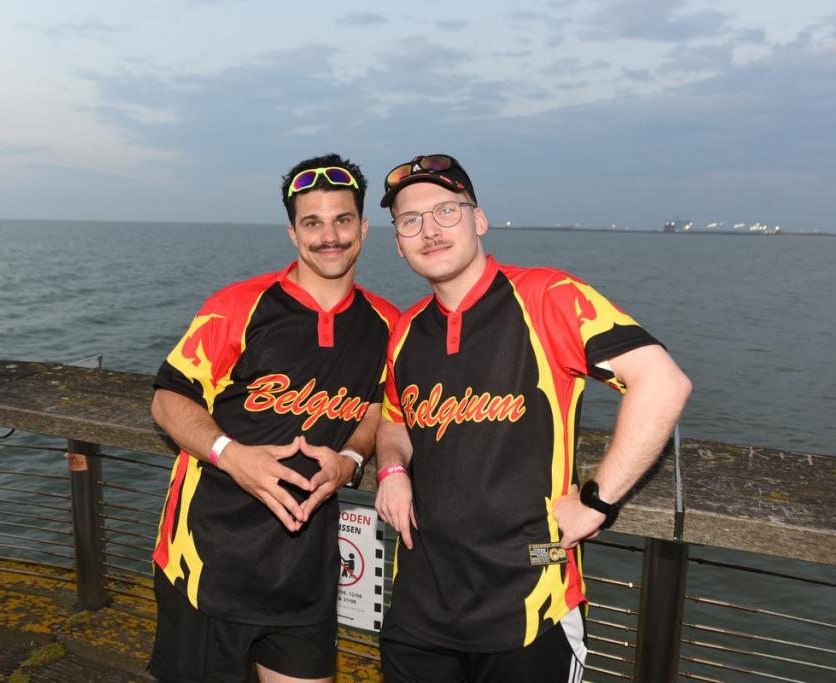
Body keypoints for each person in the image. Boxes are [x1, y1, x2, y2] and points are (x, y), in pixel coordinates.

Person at [373, 154, 691, 682]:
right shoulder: (406, 330)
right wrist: (391, 469)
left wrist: (598, 501)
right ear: (399, 243)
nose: (429, 230)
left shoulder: (547, 296)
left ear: (478, 220)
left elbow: (662, 383)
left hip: (528, 604)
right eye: (410, 221)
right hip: (419, 610)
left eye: (446, 211)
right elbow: (394, 420)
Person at [148, 153, 398, 683]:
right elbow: (167, 400)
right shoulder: (238, 306)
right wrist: (231, 456)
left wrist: (351, 460)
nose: (329, 236)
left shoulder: (387, 324)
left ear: (363, 228)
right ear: (293, 234)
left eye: (342, 220)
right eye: (313, 223)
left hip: (305, 574)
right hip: (207, 563)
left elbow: (380, 408)